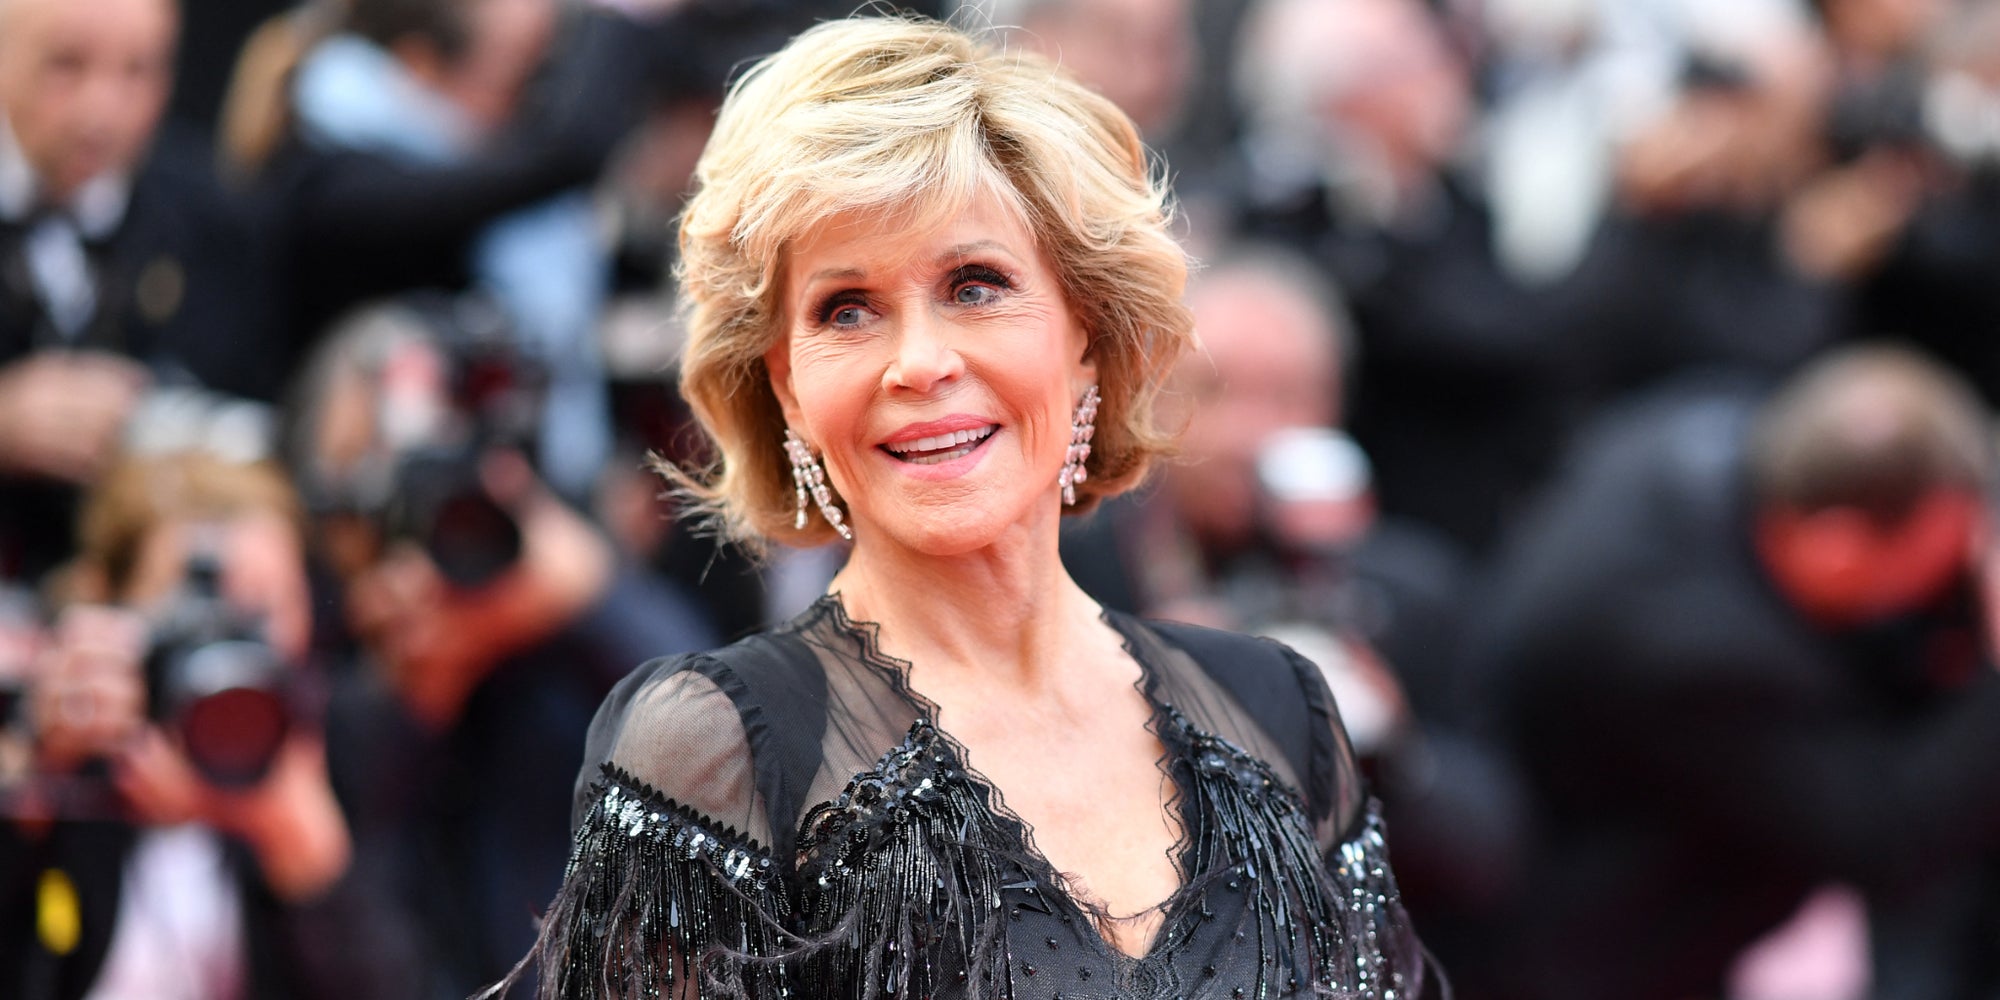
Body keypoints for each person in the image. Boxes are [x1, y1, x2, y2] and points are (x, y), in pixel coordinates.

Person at [508, 15, 1431, 1000]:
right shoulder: (716, 748)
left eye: (974, 285)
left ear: (1086, 330)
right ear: (784, 383)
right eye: (845, 309)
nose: (918, 362)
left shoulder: (1275, 710)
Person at [1457, 346, 2000, 1000]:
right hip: (1586, 943)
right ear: (1838, 551)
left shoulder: (1703, 424)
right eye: (1944, 565)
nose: (1958, 579)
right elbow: (1890, 840)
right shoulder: (1695, 658)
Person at [0, 0, 277, 584]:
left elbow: (250, 412)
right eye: (65, 65)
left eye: (138, 71)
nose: (102, 109)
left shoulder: (209, 215)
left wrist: (150, 429)